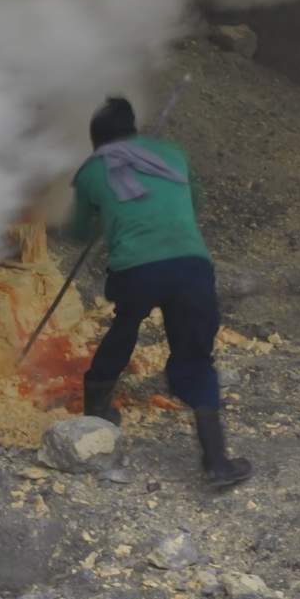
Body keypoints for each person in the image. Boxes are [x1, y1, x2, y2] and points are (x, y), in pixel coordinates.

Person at [66, 97, 253, 487]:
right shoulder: (170, 154)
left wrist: (104, 216)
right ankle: (216, 462)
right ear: (132, 128)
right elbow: (193, 201)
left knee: (126, 326)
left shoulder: (91, 171)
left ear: (95, 139)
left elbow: (79, 231)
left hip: (135, 271)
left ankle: (97, 409)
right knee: (195, 357)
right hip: (190, 265)